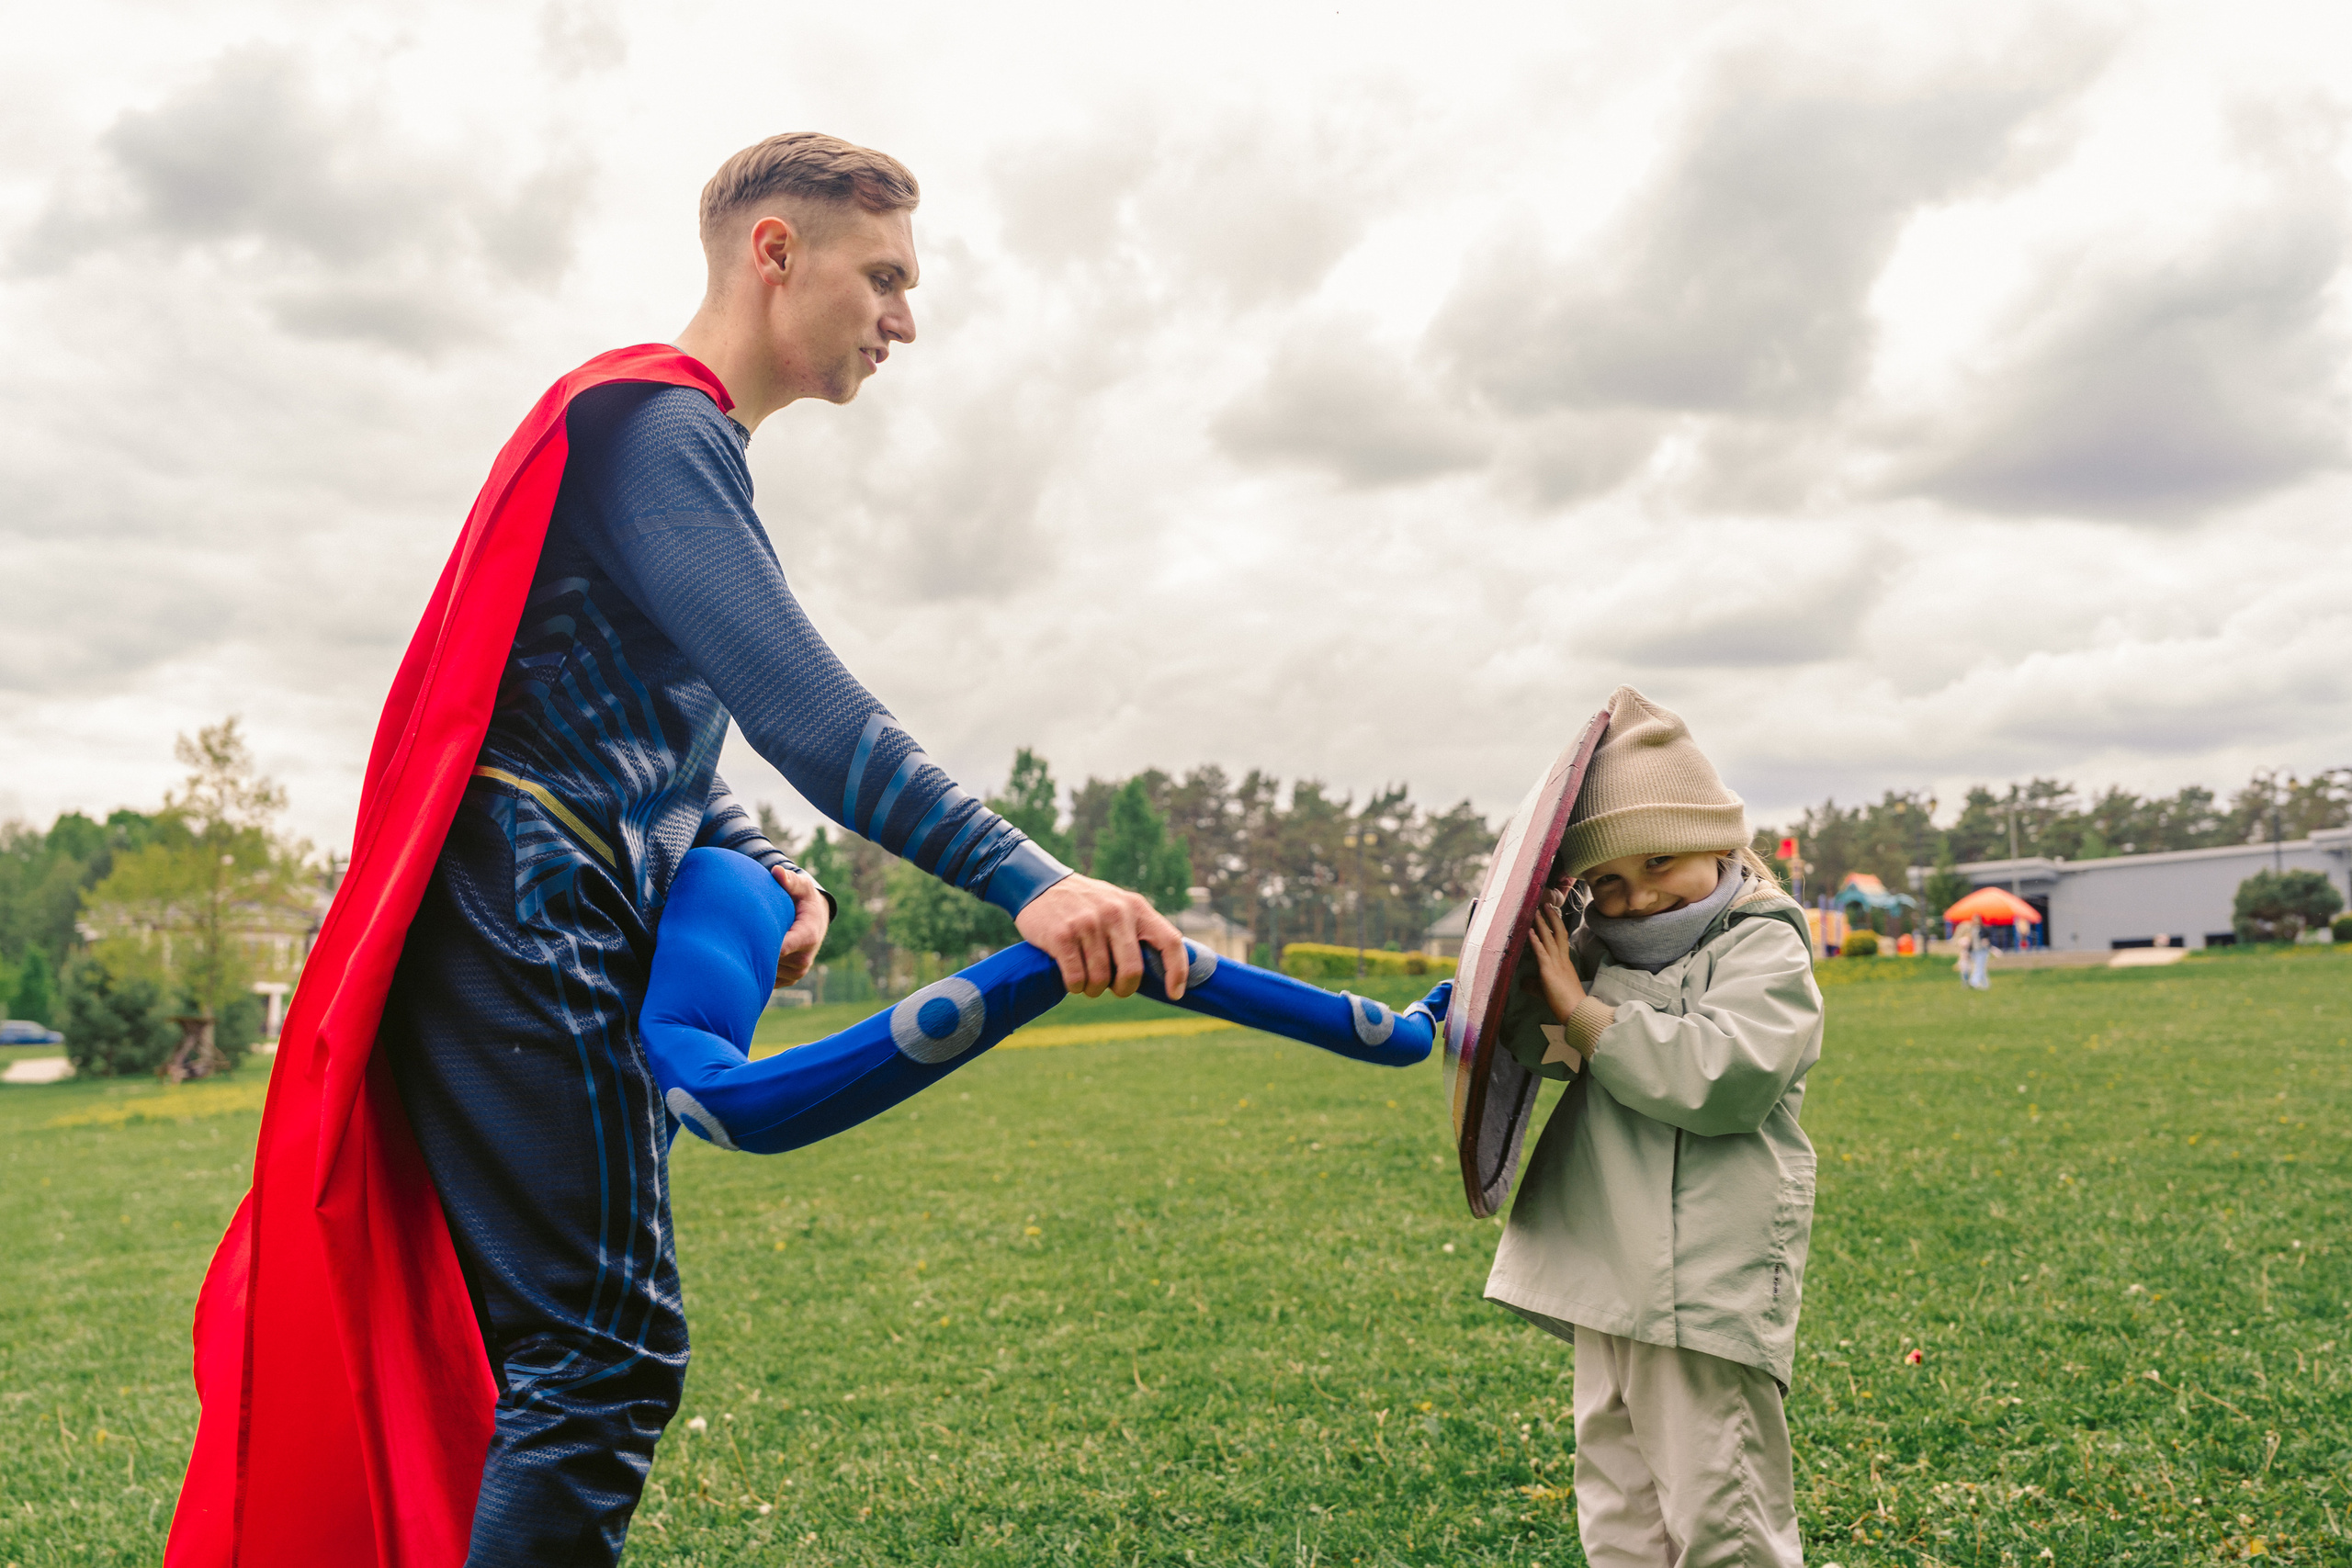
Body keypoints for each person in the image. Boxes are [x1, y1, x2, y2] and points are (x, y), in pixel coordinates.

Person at [168, 134, 1193, 1568]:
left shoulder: (673, 450)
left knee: (553, 1352)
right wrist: (1038, 879)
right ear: (777, 251)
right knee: (601, 1352)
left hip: (535, 907)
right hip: (530, 913)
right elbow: (813, 713)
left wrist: (760, 856)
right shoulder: (661, 431)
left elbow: (649, 728)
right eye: (885, 275)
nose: (907, 317)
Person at [1485, 687, 1822, 1568]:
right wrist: (1528, 975)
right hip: (1611, 1271)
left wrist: (1586, 1008)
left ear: (1719, 839)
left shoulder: (1761, 945)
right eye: (1607, 882)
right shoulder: (1595, 954)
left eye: (1662, 861)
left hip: (1700, 1283)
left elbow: (1726, 1078)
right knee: (1620, 1505)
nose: (1635, 898)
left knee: (1724, 1510)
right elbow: (1545, 1050)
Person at [1955, 916, 1991, 988]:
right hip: (1974, 951)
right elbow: (1970, 941)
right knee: (1980, 968)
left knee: (1979, 967)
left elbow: (1988, 938)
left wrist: (1986, 941)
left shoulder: (1983, 929)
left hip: (1982, 950)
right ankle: (1985, 985)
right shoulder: (1972, 930)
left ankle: (1973, 982)